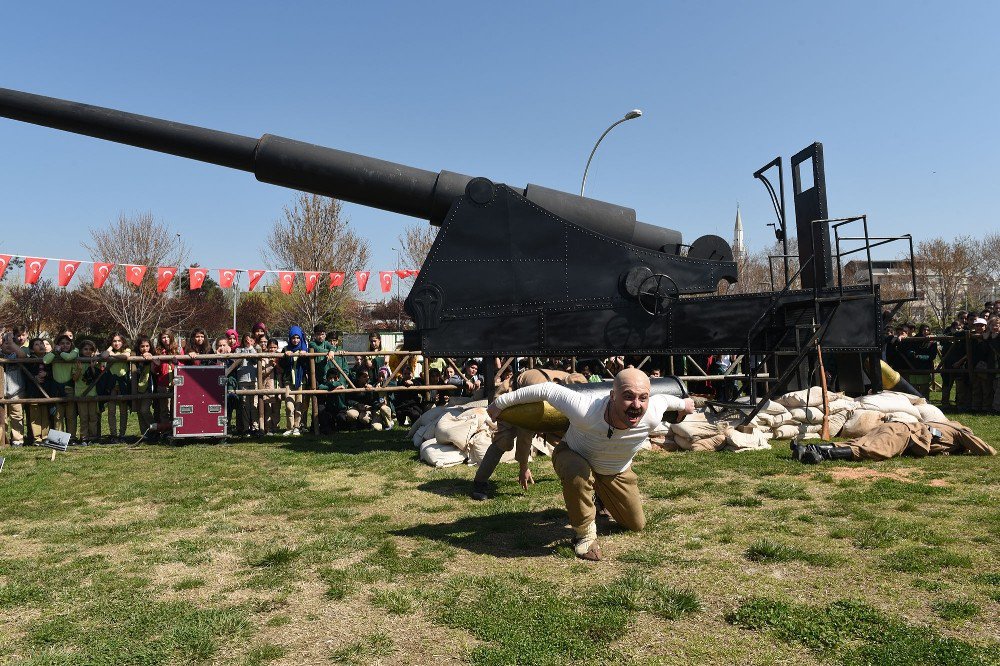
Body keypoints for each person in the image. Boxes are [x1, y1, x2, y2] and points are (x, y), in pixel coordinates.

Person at [487, 368, 694, 561]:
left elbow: (665, 400)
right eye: (628, 396)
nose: (637, 405)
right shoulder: (586, 408)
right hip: (574, 455)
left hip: (615, 471)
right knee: (577, 471)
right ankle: (584, 536)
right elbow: (547, 389)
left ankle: (599, 495)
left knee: (635, 525)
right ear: (613, 396)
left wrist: (685, 404)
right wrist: (500, 403)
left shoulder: (652, 412)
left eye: (643, 398)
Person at [472, 368, 588, 501]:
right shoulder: (539, 390)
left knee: (565, 440)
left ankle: (582, 478)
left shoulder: (575, 381)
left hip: (533, 398)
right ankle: (479, 483)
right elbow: (524, 434)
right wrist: (523, 468)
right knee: (503, 440)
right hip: (508, 396)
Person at [43, 333, 79, 437]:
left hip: (69, 388)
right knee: (58, 416)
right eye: (62, 343)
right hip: (57, 390)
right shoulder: (54, 354)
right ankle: (59, 438)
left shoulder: (74, 353)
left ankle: (72, 437)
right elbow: (45, 360)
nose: (65, 345)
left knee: (70, 415)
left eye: (67, 343)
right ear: (57, 344)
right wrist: (55, 352)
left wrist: (60, 353)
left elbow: (68, 358)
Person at [100, 333, 132, 442]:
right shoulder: (109, 350)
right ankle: (113, 434)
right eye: (114, 341)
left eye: (119, 341)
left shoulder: (126, 349)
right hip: (112, 383)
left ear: (123, 342)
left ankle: (122, 434)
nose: (116, 343)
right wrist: (110, 349)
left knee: (123, 411)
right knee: (111, 411)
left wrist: (112, 355)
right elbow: (104, 356)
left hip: (123, 382)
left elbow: (125, 356)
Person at [72, 339, 102, 445]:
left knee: (93, 416)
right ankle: (84, 437)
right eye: (85, 349)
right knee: (83, 416)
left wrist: (93, 367)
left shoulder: (96, 361)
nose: (88, 351)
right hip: (80, 392)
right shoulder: (77, 361)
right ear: (81, 350)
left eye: (90, 349)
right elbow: (74, 378)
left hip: (93, 392)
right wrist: (80, 369)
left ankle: (93, 437)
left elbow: (97, 377)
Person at [281, 326, 309, 436]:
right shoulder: (286, 349)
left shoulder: (304, 349)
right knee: (289, 405)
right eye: (293, 338)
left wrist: (304, 356)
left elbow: (307, 365)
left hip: (301, 381)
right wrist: (286, 357)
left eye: (297, 337)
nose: (295, 340)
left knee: (299, 404)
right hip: (288, 381)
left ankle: (297, 427)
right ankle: (289, 427)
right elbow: (283, 365)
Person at [153, 331, 182, 431]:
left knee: (175, 408)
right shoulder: (158, 351)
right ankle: (164, 430)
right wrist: (157, 364)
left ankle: (176, 429)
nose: (166, 340)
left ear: (171, 338)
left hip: (176, 382)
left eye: (167, 337)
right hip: (163, 382)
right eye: (163, 337)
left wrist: (177, 362)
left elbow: (183, 366)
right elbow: (155, 371)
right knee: (164, 409)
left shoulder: (178, 349)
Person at [2, 332, 28, 445]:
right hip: (1, 391)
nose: (8, 346)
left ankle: (17, 439)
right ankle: (3, 439)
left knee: (16, 415)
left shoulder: (16, 354)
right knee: (2, 417)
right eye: (5, 343)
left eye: (11, 344)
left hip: (16, 390)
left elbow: (22, 355)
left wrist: (12, 345)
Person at [233, 333, 259, 435]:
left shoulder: (255, 349)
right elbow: (237, 361)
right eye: (246, 340)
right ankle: (246, 427)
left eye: (250, 340)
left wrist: (251, 348)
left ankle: (255, 426)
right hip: (242, 379)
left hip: (253, 379)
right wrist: (245, 349)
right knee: (244, 404)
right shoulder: (238, 350)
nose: (248, 342)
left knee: (253, 404)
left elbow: (255, 359)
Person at [134, 335, 157, 439]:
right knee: (139, 411)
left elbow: (156, 368)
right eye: (142, 346)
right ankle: (145, 434)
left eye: (147, 346)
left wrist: (151, 358)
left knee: (144, 410)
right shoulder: (134, 356)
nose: (145, 348)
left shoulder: (153, 355)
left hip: (148, 387)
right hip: (136, 387)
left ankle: (155, 429)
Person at [259, 338, 282, 434]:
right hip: (268, 386)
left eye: (274, 347)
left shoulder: (280, 357)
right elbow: (262, 373)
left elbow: (282, 371)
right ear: (267, 347)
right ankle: (268, 427)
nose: (272, 349)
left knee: (276, 409)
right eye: (270, 347)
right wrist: (271, 366)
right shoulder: (264, 358)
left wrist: (277, 365)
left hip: (278, 386)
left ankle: (275, 426)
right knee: (268, 409)